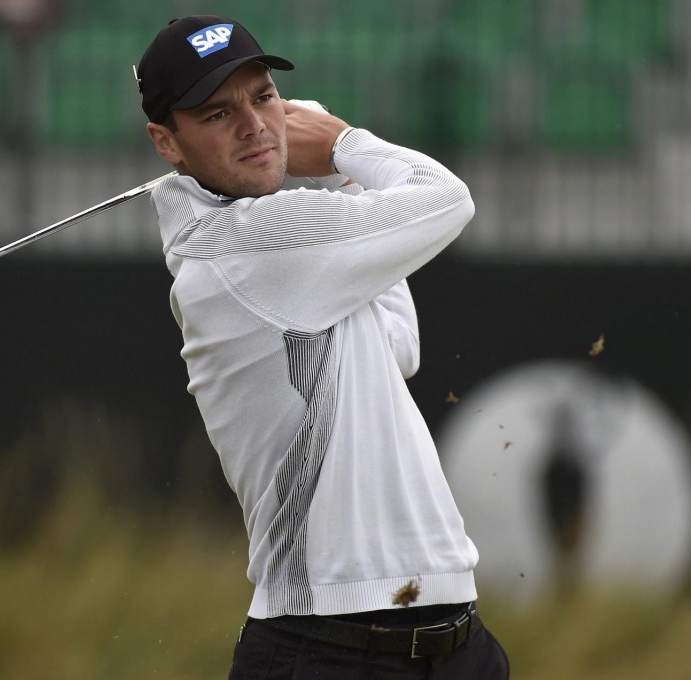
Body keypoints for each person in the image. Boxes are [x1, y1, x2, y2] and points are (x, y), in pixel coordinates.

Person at [134, 15, 510, 679]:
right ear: (167, 142)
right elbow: (447, 200)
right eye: (218, 113)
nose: (253, 125)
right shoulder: (242, 245)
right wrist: (343, 143)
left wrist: (339, 177)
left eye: (263, 98)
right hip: (329, 653)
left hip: (456, 647)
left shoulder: (291, 252)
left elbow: (397, 345)